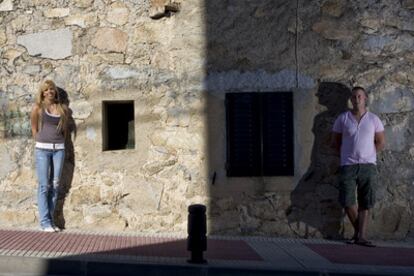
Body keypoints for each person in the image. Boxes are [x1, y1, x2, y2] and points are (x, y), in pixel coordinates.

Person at [331, 86, 385, 247]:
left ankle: (359, 236)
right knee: (347, 200)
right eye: (354, 97)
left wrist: (368, 154)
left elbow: (381, 142)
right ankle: (361, 235)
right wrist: (347, 153)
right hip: (348, 165)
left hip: (368, 165)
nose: (356, 99)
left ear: (365, 98)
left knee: (365, 201)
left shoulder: (373, 119)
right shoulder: (343, 118)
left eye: (359, 96)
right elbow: (335, 142)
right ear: (351, 99)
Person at [31, 80, 69, 232]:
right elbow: (34, 128)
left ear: (55, 91)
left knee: (55, 185)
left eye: (51, 89)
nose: (49, 92)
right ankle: (44, 222)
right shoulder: (38, 108)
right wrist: (40, 141)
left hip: (59, 149)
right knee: (44, 186)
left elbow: (64, 131)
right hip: (42, 150)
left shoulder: (62, 108)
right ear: (42, 92)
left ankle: (51, 221)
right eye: (46, 90)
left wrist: (61, 144)